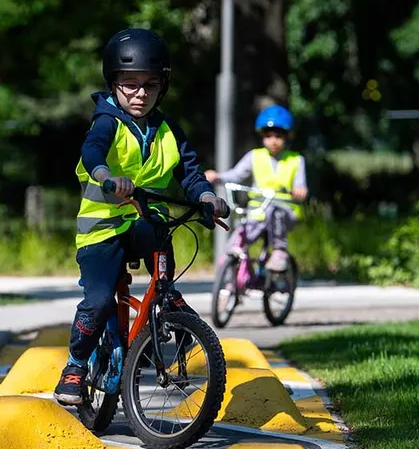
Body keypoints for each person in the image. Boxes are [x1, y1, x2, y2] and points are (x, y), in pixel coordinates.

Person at [54, 28, 229, 406]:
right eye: (130, 84)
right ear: (114, 84)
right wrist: (107, 178)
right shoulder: (107, 122)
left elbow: (191, 174)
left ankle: (168, 312)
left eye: (150, 85)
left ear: (162, 86)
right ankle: (75, 366)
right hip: (102, 230)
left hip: (147, 224)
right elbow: (92, 153)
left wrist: (208, 199)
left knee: (164, 274)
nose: (140, 93)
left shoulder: (168, 131)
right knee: (100, 301)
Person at [205, 104, 308, 272]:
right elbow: (236, 175)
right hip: (258, 211)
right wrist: (217, 177)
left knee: (275, 213)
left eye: (278, 136)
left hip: (285, 211)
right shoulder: (255, 156)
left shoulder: (296, 160)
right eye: (268, 136)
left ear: (287, 137)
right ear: (262, 136)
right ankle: (229, 279)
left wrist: (300, 190)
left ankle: (279, 252)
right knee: (241, 231)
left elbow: (300, 185)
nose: (273, 140)